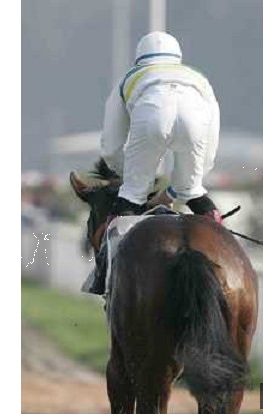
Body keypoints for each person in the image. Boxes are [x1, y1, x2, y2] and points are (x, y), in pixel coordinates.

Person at [88, 31, 222, 294]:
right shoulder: (199, 78)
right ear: (178, 59)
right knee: (195, 193)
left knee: (130, 199)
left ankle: (104, 276)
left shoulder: (128, 79)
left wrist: (134, 181)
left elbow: (112, 146)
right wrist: (181, 188)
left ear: (139, 60)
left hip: (151, 116)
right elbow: (211, 143)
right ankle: (220, 249)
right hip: (195, 122)